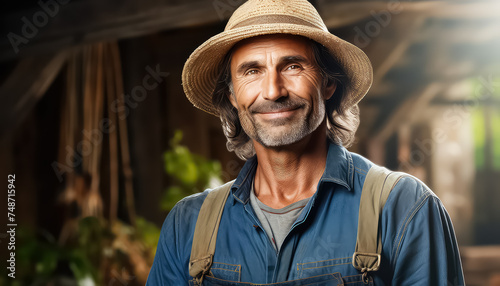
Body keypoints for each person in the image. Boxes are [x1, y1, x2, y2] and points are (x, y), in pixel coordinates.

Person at [147, 0, 465, 285]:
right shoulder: (186, 226)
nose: (273, 91)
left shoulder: (403, 208)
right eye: (252, 70)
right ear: (232, 96)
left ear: (328, 83)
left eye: (293, 66)